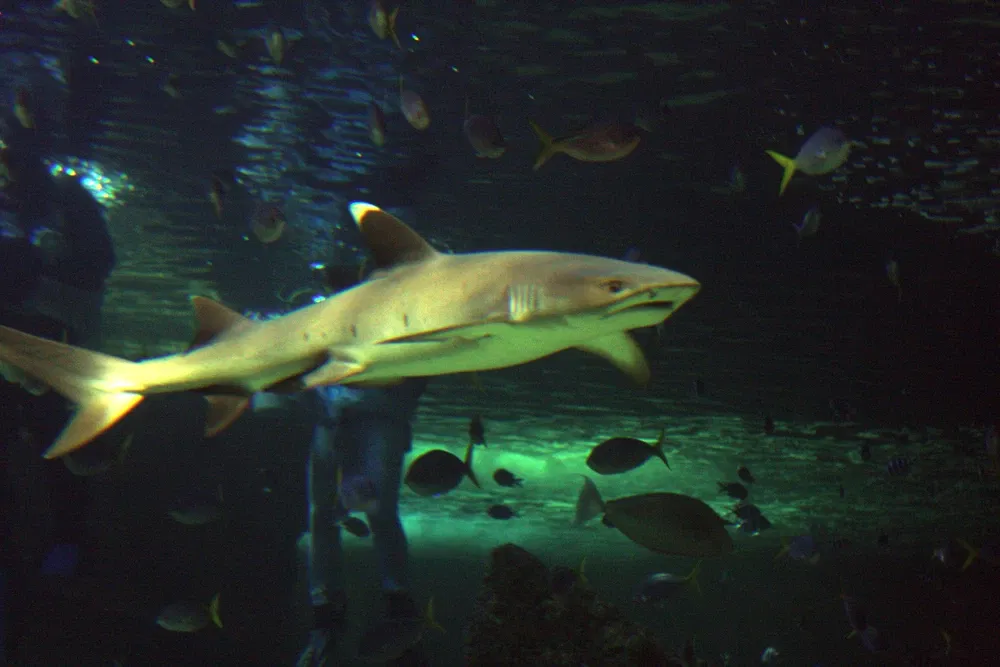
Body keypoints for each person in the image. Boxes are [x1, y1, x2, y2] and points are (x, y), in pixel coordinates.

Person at [0, 112, 116, 662]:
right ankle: (59, 549)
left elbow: (98, 264)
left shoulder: (65, 206)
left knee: (63, 453)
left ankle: (68, 546)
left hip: (58, 355)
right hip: (29, 353)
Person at [294, 267, 429, 667]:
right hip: (334, 417)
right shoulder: (322, 318)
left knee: (375, 511)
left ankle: (392, 602)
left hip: (377, 418)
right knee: (327, 512)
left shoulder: (398, 318)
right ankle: (330, 608)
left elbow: (417, 374)